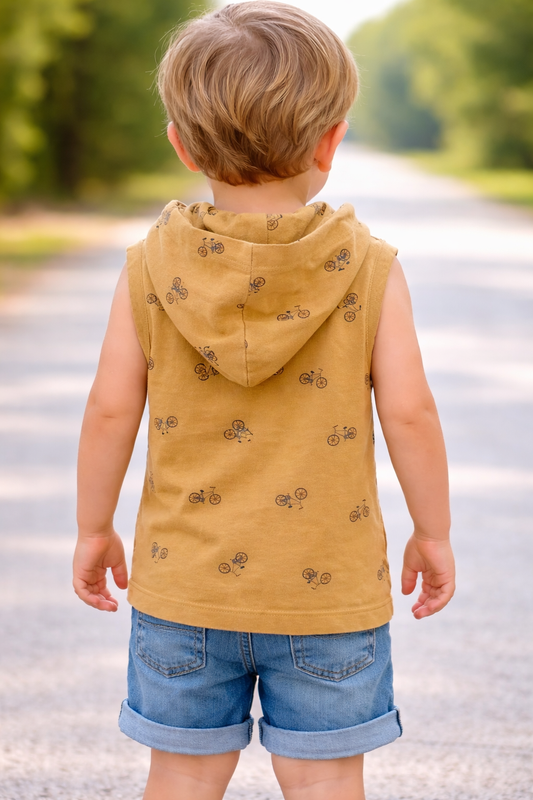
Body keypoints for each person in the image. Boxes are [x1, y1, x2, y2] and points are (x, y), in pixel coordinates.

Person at [73, 3, 455, 798]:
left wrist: (92, 527)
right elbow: (410, 413)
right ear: (330, 139)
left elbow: (110, 409)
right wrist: (432, 532)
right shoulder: (369, 268)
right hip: (328, 594)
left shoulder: (148, 265)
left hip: (184, 587)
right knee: (322, 784)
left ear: (179, 143)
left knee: (180, 776)